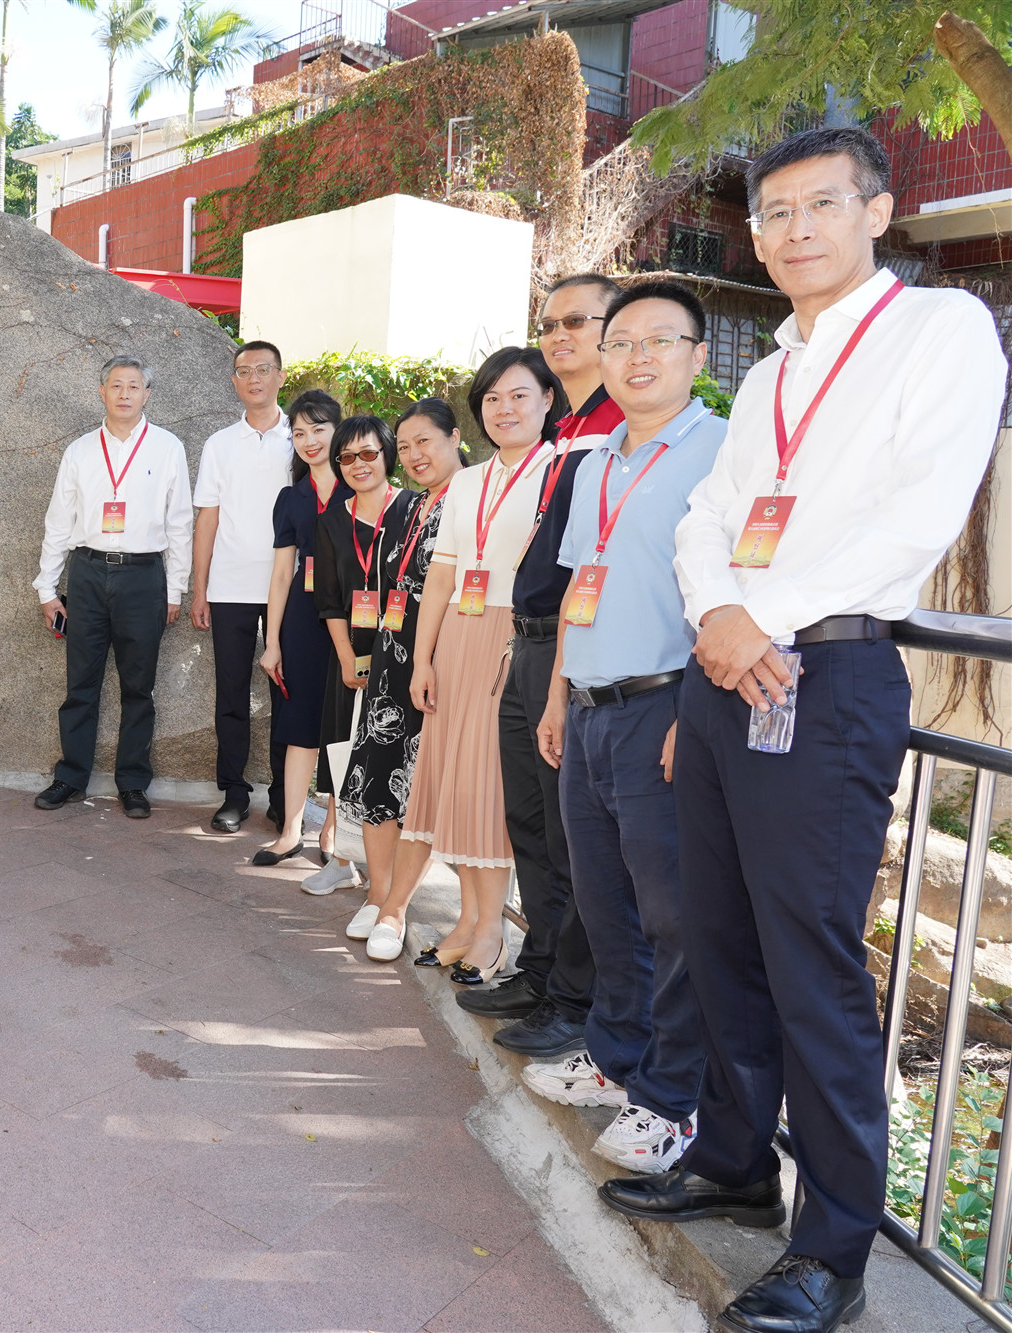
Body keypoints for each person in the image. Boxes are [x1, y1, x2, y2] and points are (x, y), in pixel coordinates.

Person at [600, 127, 1007, 1333]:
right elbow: (705, 517)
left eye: (820, 205)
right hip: (728, 669)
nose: (793, 230)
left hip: (822, 675)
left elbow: (916, 516)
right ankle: (731, 1158)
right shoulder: (769, 369)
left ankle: (831, 1246)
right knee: (717, 936)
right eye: (773, 213)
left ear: (875, 212)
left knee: (809, 963)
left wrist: (754, 619)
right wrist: (718, 616)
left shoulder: (937, 331)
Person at [520, 281, 726, 1177]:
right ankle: (614, 1055)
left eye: (660, 340)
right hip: (590, 708)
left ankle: (674, 1098)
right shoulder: (596, 459)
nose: (638, 357)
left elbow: (731, 591)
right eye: (623, 342)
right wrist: (558, 695)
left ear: (698, 356)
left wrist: (694, 714)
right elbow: (579, 584)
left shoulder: (721, 450)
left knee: (672, 913)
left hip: (665, 706)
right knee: (604, 900)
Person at [462, 273, 626, 1053]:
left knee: (573, 838)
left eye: (577, 322)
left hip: (573, 648)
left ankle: (575, 1001)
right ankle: (540, 970)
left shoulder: (621, 425)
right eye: (550, 324)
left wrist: (559, 668)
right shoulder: (570, 430)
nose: (560, 336)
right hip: (527, 642)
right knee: (531, 822)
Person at [403, 347, 567, 985]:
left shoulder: (562, 471)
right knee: (455, 779)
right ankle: (469, 919)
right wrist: (423, 658)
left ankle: (493, 930)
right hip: (457, 636)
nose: (505, 409)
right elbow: (442, 576)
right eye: (492, 398)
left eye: (519, 395)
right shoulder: (468, 481)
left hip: (512, 635)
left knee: (489, 786)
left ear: (547, 399)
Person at [325, 399, 465, 962]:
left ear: (455, 437)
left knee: (419, 786)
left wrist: (429, 659)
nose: (413, 455)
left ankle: (396, 908)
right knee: (378, 775)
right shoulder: (415, 506)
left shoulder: (470, 497)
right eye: (405, 446)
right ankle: (378, 892)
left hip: (439, 663)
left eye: (422, 442)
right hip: (393, 656)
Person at [33, 355, 193, 818]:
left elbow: (180, 522)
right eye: (116, 385)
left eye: (134, 386)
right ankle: (70, 777)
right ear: (101, 391)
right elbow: (59, 521)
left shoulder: (167, 447)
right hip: (87, 573)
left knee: (138, 687)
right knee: (80, 683)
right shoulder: (81, 450)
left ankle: (133, 783)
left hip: (144, 577)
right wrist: (47, 588)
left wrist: (175, 590)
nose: (125, 394)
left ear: (147, 394)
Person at [256, 392, 364, 868]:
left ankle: (332, 830)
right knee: (299, 726)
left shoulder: (360, 487)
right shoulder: (291, 499)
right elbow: (282, 574)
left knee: (342, 728)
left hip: (354, 619)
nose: (309, 440)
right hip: (302, 620)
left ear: (339, 431)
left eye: (319, 429)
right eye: (299, 432)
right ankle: (290, 832)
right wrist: (272, 641)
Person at [190, 341, 294, 835]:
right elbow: (207, 518)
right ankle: (234, 793)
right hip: (229, 585)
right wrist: (199, 588)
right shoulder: (219, 444)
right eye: (244, 371)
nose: (254, 378)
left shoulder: (303, 437)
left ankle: (284, 795)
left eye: (263, 369)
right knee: (230, 693)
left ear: (280, 376)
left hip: (288, 588)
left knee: (286, 694)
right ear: (234, 381)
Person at [304, 404, 400, 889]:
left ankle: (392, 872)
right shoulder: (330, 522)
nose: (358, 464)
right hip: (351, 652)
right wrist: (345, 658)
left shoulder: (411, 511)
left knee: (390, 757)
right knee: (342, 750)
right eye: (346, 457)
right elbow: (328, 600)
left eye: (368, 453)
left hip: (402, 651)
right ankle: (342, 861)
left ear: (387, 455)